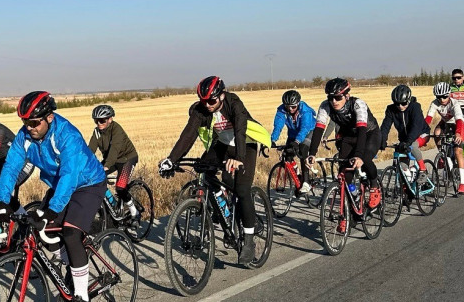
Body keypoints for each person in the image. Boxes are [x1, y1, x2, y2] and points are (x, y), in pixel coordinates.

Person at [0, 91, 106, 302]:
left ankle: (82, 297)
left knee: (71, 233)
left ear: (49, 117)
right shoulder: (25, 136)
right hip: (59, 184)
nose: (29, 127)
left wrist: (51, 211)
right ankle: (73, 262)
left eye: (33, 122)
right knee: (42, 231)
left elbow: (70, 176)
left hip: (87, 183)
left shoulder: (67, 134)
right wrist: (1, 203)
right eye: (24, 122)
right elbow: (10, 168)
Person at [158, 75, 271, 266]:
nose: (208, 105)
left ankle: (249, 239)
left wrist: (238, 159)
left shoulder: (233, 102)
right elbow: (188, 134)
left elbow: (241, 131)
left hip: (245, 145)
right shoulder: (202, 109)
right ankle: (222, 205)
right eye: (204, 101)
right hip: (223, 144)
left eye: (211, 101)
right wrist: (171, 160)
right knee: (204, 169)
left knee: (242, 190)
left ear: (222, 95)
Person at [306, 78, 382, 232]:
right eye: (330, 97)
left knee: (365, 159)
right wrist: (312, 153)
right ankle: (349, 212)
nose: (334, 101)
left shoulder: (358, 104)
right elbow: (319, 129)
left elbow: (361, 130)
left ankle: (374, 187)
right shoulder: (325, 106)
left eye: (338, 97)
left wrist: (359, 155)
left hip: (368, 133)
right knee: (344, 176)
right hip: (348, 136)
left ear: (347, 95)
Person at [87, 104, 140, 218]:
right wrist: (82, 164)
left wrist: (106, 166)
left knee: (120, 188)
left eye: (102, 121)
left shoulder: (117, 130)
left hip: (127, 158)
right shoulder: (97, 132)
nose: (99, 124)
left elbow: (114, 149)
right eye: (96, 121)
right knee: (93, 178)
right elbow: (90, 149)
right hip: (111, 160)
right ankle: (112, 206)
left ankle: (134, 212)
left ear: (110, 119)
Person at [379, 85, 432, 192]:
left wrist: (407, 142)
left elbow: (416, 127)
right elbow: (385, 126)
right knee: (403, 165)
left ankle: (423, 170)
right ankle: (409, 185)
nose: (400, 106)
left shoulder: (415, 107)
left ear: (408, 100)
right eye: (397, 103)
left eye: (403, 103)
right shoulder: (391, 109)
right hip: (405, 139)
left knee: (412, 145)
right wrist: (381, 140)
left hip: (421, 134)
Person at [270, 89, 316, 194]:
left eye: (293, 107)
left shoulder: (305, 110)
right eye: (287, 106)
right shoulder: (281, 110)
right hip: (293, 132)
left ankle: (306, 182)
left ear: (298, 104)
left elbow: (305, 128)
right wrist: (272, 139)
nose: (290, 109)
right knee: (287, 155)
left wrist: (297, 141)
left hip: (310, 130)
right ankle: (298, 176)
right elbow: (278, 126)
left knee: (303, 150)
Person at [425, 82, 464, 193]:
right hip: (446, 123)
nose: (442, 99)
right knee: (437, 133)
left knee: (458, 150)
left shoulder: (454, 103)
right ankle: (442, 155)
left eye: (444, 96)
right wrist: (422, 132)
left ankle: (462, 183)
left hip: (459, 124)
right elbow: (428, 119)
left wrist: (458, 133)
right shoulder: (435, 103)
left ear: (449, 94)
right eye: (439, 97)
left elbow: (459, 119)